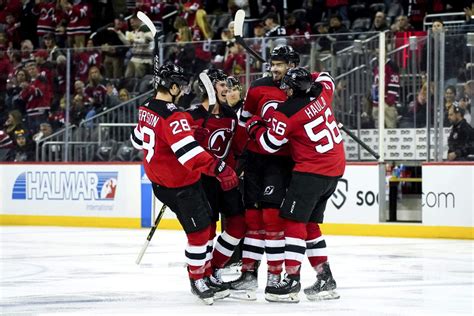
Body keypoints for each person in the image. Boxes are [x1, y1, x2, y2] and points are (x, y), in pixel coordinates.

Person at [130, 63, 239, 305]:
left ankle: (205, 273)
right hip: (180, 186)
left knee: (204, 226)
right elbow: (189, 155)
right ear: (173, 86)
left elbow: (137, 139)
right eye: (181, 85)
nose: (184, 90)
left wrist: (187, 136)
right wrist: (220, 168)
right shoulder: (174, 115)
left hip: (161, 184)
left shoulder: (146, 108)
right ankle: (197, 278)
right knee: (200, 232)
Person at [247, 67, 345, 303]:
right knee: (310, 224)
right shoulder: (323, 93)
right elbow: (326, 75)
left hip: (311, 171)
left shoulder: (286, 111)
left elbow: (270, 144)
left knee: (293, 223)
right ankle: (325, 279)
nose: (286, 91)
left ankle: (291, 281)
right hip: (335, 168)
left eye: (289, 86)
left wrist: (255, 126)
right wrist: (304, 77)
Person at [229, 45, 299, 299]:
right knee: (252, 220)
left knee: (272, 219)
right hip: (256, 159)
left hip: (281, 163)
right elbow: (245, 119)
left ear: (292, 65)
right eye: (272, 64)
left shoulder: (300, 89)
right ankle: (249, 274)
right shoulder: (258, 87)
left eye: (280, 64)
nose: (274, 68)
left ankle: (275, 274)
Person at [186, 68, 246, 297]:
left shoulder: (231, 116)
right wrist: (193, 140)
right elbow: (182, 152)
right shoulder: (192, 116)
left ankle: (215, 268)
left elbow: (238, 148)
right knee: (207, 230)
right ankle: (202, 274)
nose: (226, 89)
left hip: (226, 180)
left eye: (227, 85)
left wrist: (236, 170)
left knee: (239, 225)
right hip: (203, 182)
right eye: (221, 85)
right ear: (208, 88)